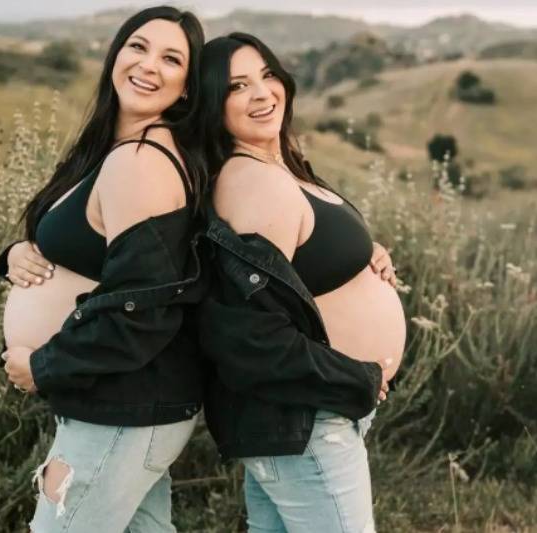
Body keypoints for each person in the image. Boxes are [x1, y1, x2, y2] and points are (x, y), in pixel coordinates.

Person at [0, 7, 208, 532]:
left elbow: (145, 309)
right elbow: (91, 249)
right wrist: (19, 254)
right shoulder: (107, 151)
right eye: (138, 46)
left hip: (124, 407)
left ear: (186, 88)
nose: (148, 64)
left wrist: (44, 366)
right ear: (116, 54)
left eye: (171, 58)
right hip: (121, 404)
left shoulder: (141, 159)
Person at [195, 32, 406, 532]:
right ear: (211, 104)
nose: (262, 93)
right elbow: (247, 336)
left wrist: (362, 256)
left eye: (267, 75)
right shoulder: (253, 181)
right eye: (237, 86)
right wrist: (358, 378)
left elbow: (294, 267)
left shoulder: (280, 166)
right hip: (305, 417)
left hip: (311, 416)